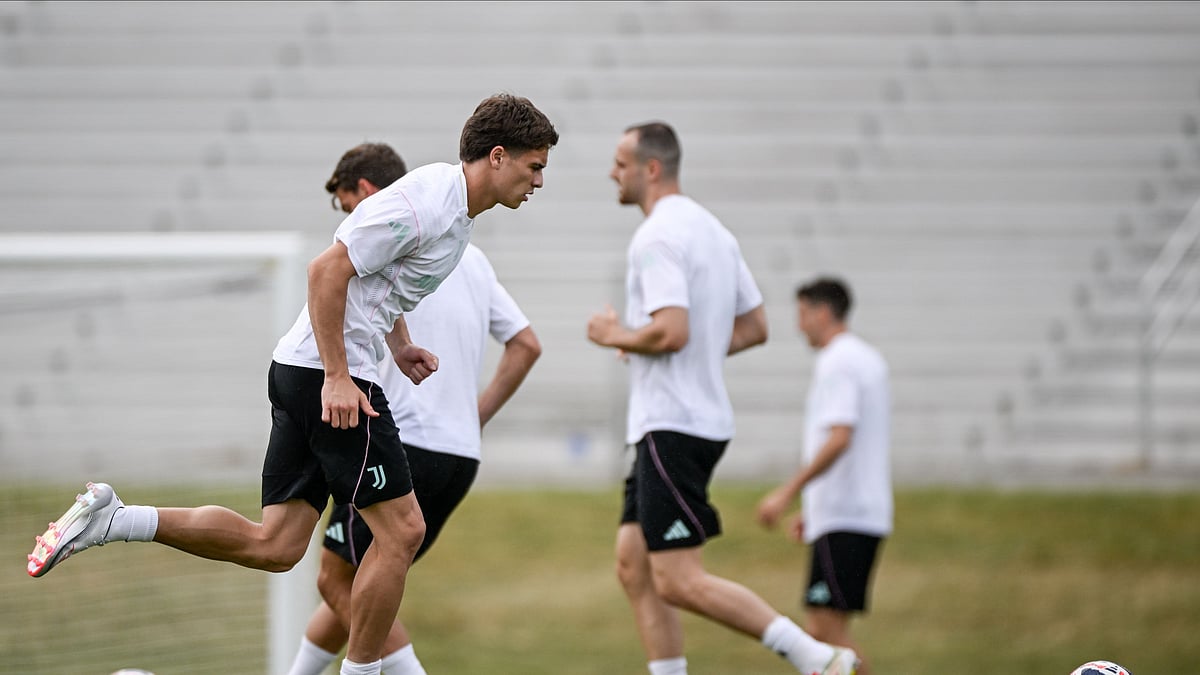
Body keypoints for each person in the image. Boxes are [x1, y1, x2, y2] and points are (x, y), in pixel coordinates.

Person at [26, 93, 558, 675]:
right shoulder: (429, 200)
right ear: (499, 156)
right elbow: (326, 269)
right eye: (535, 167)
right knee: (402, 531)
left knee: (276, 546)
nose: (538, 181)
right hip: (327, 377)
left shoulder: (457, 217)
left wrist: (399, 344)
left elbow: (376, 280)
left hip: (307, 371)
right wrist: (336, 376)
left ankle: (114, 518)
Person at [586, 122, 858, 675]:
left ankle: (816, 657)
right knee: (633, 564)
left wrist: (617, 335)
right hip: (683, 422)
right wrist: (661, 346)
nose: (612, 172)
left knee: (677, 579)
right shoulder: (713, 230)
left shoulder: (656, 235)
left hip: (673, 424)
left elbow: (671, 331)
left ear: (652, 168)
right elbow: (755, 326)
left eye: (620, 162)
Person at [286, 143, 542, 675]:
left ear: (364, 194)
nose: (348, 220)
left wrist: (335, 373)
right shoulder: (468, 252)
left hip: (407, 439)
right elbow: (527, 344)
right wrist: (476, 416)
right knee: (368, 585)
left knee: (338, 580)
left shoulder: (390, 242)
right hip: (460, 457)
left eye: (345, 205)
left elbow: (331, 278)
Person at [755, 278, 891, 675]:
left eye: (801, 315)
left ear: (822, 312)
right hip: (852, 510)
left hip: (847, 512)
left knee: (825, 633)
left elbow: (839, 438)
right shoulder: (867, 358)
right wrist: (816, 509)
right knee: (822, 629)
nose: (799, 327)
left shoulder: (838, 361)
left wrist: (787, 493)